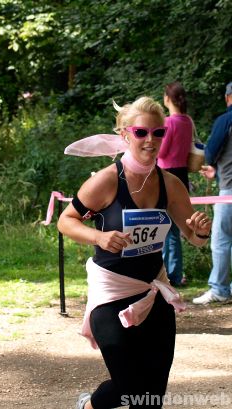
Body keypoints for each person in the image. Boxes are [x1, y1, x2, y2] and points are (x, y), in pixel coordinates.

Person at [58, 96, 212, 409]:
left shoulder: (170, 184)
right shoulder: (107, 180)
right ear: (126, 134)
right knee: (129, 386)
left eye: (159, 133)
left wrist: (201, 231)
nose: (151, 140)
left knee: (151, 398)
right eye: (142, 133)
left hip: (153, 293)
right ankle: (90, 405)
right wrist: (99, 237)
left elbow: (194, 238)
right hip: (111, 297)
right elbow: (66, 221)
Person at [193, 82, 232, 305]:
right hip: (225, 182)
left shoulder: (226, 120)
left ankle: (219, 289)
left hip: (228, 190)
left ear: (228, 98)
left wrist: (212, 164)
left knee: (220, 239)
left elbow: (209, 153)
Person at [158, 81, 193, 286]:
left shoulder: (169, 122)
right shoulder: (187, 121)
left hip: (166, 173)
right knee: (177, 227)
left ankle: (171, 275)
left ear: (167, 99)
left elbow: (161, 152)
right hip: (182, 174)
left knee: (166, 228)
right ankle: (176, 272)